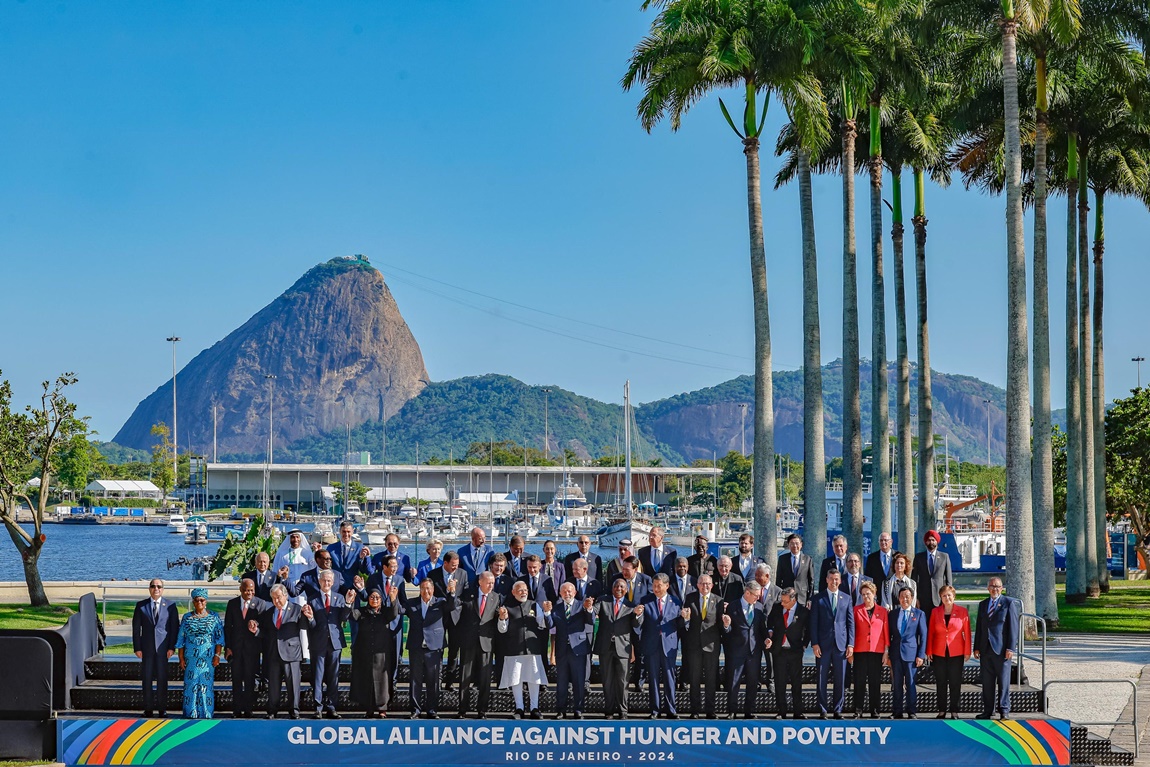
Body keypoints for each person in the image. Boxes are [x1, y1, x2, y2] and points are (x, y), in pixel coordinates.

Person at [255, 583, 315, 719]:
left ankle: (294, 710)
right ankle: (272, 710)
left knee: (293, 684)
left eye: (279, 597)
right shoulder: (269, 613)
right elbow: (265, 632)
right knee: (273, 685)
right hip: (273, 653)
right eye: (273, 598)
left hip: (292, 653)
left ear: (285, 596)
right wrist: (256, 631)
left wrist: (310, 617)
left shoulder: (296, 610)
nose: (276, 601)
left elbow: (307, 626)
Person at [497, 581, 552, 719]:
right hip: (514, 649)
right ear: (513, 592)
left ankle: (534, 708)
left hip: (532, 649)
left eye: (525, 590)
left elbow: (543, 623)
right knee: (516, 679)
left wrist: (546, 612)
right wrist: (502, 619)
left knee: (534, 679)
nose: (523, 592)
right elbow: (502, 629)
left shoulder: (534, 605)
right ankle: (519, 708)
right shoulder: (507, 607)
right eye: (520, 590)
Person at [348, 585, 402, 718]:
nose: (375, 600)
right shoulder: (362, 612)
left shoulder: (385, 613)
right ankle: (369, 708)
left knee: (382, 682)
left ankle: (382, 708)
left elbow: (394, 614)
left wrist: (393, 599)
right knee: (367, 681)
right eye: (372, 597)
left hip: (382, 653)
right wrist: (349, 602)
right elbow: (352, 615)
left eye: (377, 597)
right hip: (365, 653)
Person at [593, 578, 644, 719]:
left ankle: (623, 711)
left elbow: (635, 626)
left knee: (623, 681)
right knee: (607, 680)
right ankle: (609, 710)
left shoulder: (631, 605)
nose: (619, 589)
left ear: (626, 589)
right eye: (616, 586)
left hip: (623, 648)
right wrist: (589, 608)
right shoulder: (603, 601)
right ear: (612, 588)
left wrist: (638, 614)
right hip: (605, 647)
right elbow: (592, 612)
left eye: (622, 587)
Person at [400, 579, 450, 718]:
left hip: (434, 647)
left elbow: (453, 605)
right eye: (423, 588)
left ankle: (432, 709)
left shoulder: (441, 602)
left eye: (428, 588)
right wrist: (393, 598)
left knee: (433, 680)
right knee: (415, 680)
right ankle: (415, 710)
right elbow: (399, 610)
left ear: (433, 589)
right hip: (416, 647)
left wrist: (451, 592)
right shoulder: (412, 603)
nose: (425, 591)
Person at [307, 570, 352, 719]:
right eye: (324, 581)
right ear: (319, 581)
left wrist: (348, 603)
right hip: (318, 642)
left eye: (329, 581)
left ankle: (332, 707)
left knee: (333, 677)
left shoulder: (339, 598)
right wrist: (310, 617)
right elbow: (312, 625)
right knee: (318, 676)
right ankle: (318, 707)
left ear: (333, 583)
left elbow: (344, 617)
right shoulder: (312, 599)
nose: (326, 584)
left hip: (335, 642)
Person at [809, 569, 854, 718]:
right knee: (821, 677)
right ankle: (822, 709)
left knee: (840, 678)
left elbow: (850, 623)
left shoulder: (846, 598)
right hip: (823, 645)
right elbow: (813, 623)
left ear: (840, 581)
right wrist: (814, 643)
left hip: (841, 644)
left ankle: (838, 709)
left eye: (837, 579)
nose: (834, 582)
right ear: (827, 580)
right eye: (832, 579)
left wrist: (850, 644)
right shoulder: (818, 598)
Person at [132, 579, 180, 718]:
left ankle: (162, 708)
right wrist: (137, 647)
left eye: (159, 586)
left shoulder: (171, 606)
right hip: (146, 649)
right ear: (149, 589)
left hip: (163, 649)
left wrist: (172, 647)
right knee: (146, 679)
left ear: (163, 589)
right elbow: (136, 629)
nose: (156, 589)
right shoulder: (141, 606)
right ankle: (148, 709)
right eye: (153, 586)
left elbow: (174, 628)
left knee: (162, 678)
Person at [455, 570, 501, 717]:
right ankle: (462, 709)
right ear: (480, 582)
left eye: (493, 583)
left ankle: (482, 710)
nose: (491, 586)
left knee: (485, 678)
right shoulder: (468, 595)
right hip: (468, 641)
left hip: (486, 642)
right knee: (465, 676)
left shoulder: (496, 598)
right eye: (488, 583)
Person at [174, 588, 224, 719]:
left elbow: (219, 638)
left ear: (206, 601)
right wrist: (180, 657)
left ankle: (206, 713)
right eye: (196, 600)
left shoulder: (214, 617)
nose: (199, 602)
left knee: (206, 686)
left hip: (208, 658)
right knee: (191, 685)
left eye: (202, 600)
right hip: (191, 658)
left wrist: (217, 656)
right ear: (193, 601)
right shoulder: (187, 617)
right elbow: (181, 638)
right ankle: (191, 713)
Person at [638, 574, 683, 718]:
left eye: (659, 586)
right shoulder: (645, 601)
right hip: (651, 645)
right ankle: (655, 710)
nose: (655, 589)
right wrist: (637, 616)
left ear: (667, 586)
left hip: (668, 645)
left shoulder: (676, 602)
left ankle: (671, 709)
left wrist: (686, 618)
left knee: (670, 679)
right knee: (653, 679)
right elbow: (639, 624)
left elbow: (680, 625)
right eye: (654, 585)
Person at [224, 579, 270, 718]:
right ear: (240, 589)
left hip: (252, 649)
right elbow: (227, 627)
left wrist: (256, 628)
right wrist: (228, 647)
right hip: (236, 649)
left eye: (251, 590)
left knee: (251, 681)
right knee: (236, 680)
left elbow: (265, 627)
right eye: (246, 590)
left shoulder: (261, 604)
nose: (248, 593)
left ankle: (249, 709)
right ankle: (237, 710)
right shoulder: (232, 604)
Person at [974, 577, 1019, 720]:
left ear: (1002, 588)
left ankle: (1004, 710)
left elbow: (1013, 627)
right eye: (992, 586)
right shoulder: (983, 604)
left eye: (998, 586)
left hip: (1001, 650)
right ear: (988, 588)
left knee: (1003, 681)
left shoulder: (1008, 603)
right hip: (985, 649)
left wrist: (1011, 647)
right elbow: (980, 628)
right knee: (987, 682)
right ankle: (988, 710)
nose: (995, 589)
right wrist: (976, 647)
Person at [722, 580, 768, 719]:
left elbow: (762, 628)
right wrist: (726, 625)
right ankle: (732, 710)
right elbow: (727, 631)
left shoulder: (759, 607)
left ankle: (750, 711)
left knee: (753, 682)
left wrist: (767, 638)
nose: (757, 598)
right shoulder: (733, 606)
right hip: (736, 651)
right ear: (747, 593)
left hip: (754, 651)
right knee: (733, 682)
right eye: (755, 595)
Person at [681, 573, 722, 718]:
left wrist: (727, 623)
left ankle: (710, 710)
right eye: (702, 583)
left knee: (711, 679)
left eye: (707, 584)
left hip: (711, 645)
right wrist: (685, 619)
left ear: (712, 585)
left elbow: (720, 626)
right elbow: (685, 622)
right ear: (697, 585)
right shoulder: (690, 598)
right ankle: (695, 710)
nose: (705, 586)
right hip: (694, 646)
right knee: (694, 679)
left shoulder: (718, 600)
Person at [551, 582, 594, 719]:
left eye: (569, 591)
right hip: (562, 650)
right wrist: (546, 613)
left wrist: (589, 609)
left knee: (579, 681)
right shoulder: (556, 608)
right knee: (562, 682)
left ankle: (578, 709)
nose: (567, 594)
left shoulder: (582, 605)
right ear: (560, 593)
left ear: (574, 592)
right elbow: (550, 624)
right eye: (564, 591)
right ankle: (561, 710)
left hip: (578, 648)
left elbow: (590, 621)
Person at [927, 584, 971, 720]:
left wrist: (967, 651)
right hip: (939, 651)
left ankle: (954, 710)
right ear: (940, 597)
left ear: (954, 596)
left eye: (949, 595)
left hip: (956, 652)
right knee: (940, 682)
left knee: (955, 682)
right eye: (944, 596)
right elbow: (931, 633)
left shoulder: (962, 611)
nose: (947, 598)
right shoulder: (935, 612)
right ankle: (941, 710)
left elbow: (967, 633)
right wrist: (929, 650)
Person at [766, 587, 810, 719]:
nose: (783, 604)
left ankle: (798, 711)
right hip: (779, 651)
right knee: (780, 682)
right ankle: (782, 711)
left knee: (796, 682)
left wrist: (804, 645)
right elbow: (770, 623)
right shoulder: (777, 607)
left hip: (795, 651)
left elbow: (808, 630)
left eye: (785, 601)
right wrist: (770, 633)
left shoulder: (803, 611)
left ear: (793, 599)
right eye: (782, 601)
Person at [427, 551, 467, 686]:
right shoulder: (433, 575)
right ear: (445, 563)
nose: (455, 568)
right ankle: (435, 681)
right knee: (437, 649)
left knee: (454, 650)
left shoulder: (462, 574)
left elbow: (464, 595)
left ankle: (449, 682)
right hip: (439, 617)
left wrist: (454, 596)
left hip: (456, 617)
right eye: (453, 565)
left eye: (457, 565)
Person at [888, 586, 927, 719]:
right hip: (895, 654)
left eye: (907, 596)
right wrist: (887, 653)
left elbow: (923, 636)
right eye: (902, 596)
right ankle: (897, 711)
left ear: (911, 598)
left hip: (911, 654)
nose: (905, 599)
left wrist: (921, 655)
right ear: (898, 598)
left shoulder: (919, 614)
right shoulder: (892, 614)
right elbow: (889, 635)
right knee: (897, 684)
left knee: (910, 684)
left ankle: (912, 711)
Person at [851, 580, 888, 718]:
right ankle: (858, 710)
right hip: (860, 651)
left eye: (868, 594)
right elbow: (852, 631)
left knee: (875, 682)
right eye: (863, 594)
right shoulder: (856, 610)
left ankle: (875, 710)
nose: (866, 597)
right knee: (859, 682)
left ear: (874, 594)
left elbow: (886, 631)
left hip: (876, 651)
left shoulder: (883, 611)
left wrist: (886, 652)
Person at [912, 530, 952, 613]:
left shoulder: (944, 557)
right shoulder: (919, 557)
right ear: (926, 542)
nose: (931, 542)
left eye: (933, 540)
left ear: (937, 542)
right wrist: (915, 598)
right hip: (923, 599)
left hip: (940, 598)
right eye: (929, 540)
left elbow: (948, 579)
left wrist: (948, 597)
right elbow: (914, 579)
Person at [328, 521, 372, 587]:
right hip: (335, 586)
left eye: (348, 532)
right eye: (344, 531)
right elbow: (325, 566)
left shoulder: (359, 548)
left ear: (352, 532)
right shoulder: (331, 548)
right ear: (340, 531)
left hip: (352, 586)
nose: (346, 534)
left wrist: (365, 557)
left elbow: (366, 571)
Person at [776, 533, 815, 607]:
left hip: (802, 597)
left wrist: (810, 598)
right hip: (787, 597)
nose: (795, 546)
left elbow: (811, 581)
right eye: (792, 543)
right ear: (788, 545)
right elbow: (778, 579)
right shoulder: (782, 559)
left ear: (801, 544)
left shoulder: (808, 559)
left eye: (797, 543)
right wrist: (780, 596)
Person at [865, 532, 896, 597]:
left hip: (894, 594)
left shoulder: (898, 556)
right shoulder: (872, 558)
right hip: (877, 595)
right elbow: (867, 577)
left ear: (891, 541)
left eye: (885, 540)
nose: (883, 542)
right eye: (881, 540)